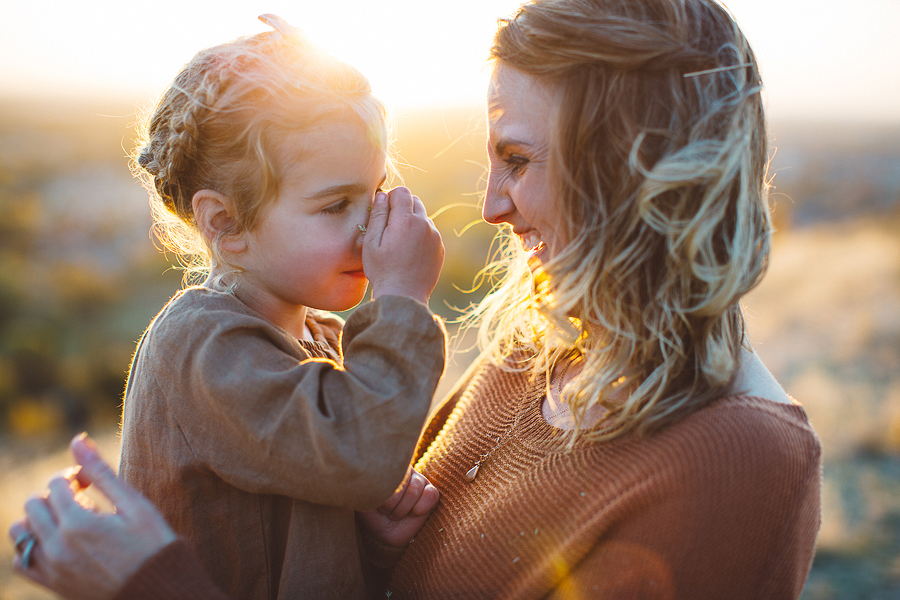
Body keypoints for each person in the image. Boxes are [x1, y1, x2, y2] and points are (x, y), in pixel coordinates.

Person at [11, 1, 822, 598]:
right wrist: (373, 546)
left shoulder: (739, 463)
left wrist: (151, 587)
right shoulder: (525, 360)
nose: (492, 206)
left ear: (631, 171)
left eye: (516, 157)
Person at [13, 14, 448, 600]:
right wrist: (401, 298)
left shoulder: (321, 335)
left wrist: (369, 540)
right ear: (227, 224)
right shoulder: (199, 345)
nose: (368, 227)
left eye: (373, 194)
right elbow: (358, 455)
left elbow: (289, 540)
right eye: (334, 205)